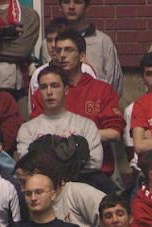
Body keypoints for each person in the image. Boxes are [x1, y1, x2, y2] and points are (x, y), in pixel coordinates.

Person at [35, 29, 124, 178]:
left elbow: (114, 133)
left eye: (68, 50)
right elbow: (37, 132)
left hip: (95, 171)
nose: (62, 55)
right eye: (58, 50)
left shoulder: (101, 90)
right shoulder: (44, 92)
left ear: (82, 56)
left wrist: (69, 134)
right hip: (55, 173)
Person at [15, 66, 102, 170]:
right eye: (43, 87)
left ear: (66, 90)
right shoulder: (27, 129)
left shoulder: (87, 126)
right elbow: (27, 166)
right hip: (41, 180)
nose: (49, 92)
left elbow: (94, 164)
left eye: (54, 86)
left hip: (80, 180)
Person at [50, 0, 123, 93]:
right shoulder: (50, 43)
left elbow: (113, 86)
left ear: (87, 6)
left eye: (78, 2)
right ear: (59, 6)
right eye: (66, 2)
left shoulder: (103, 42)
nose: (71, 7)